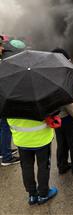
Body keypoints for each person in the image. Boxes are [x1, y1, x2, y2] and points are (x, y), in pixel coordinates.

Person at [7, 118, 58, 205]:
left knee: (26, 168)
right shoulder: (38, 103)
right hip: (42, 138)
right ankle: (43, 194)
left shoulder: (8, 103)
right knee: (43, 166)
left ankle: (32, 195)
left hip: (21, 139)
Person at [0, 37, 21, 166]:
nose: (2, 48)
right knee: (5, 127)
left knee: (2, 126)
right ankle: (6, 157)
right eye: (0, 46)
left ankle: (3, 151)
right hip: (2, 100)